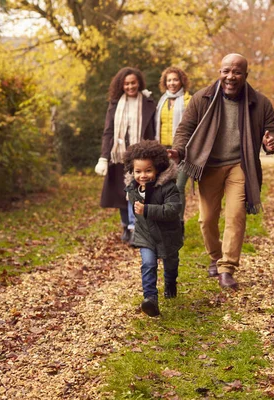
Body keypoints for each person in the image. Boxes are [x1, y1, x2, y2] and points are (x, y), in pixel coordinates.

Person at [169, 53, 274, 290]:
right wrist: (179, 151)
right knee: (206, 219)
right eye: (226, 71)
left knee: (235, 215)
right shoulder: (202, 98)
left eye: (237, 72)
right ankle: (215, 255)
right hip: (208, 165)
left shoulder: (260, 103)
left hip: (240, 165)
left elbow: (273, 130)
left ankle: (227, 268)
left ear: (245, 75)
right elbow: (184, 129)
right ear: (219, 72)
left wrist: (272, 142)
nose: (231, 77)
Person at [95, 67, 156, 243]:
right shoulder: (115, 103)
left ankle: (135, 228)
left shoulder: (147, 102)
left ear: (139, 83)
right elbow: (108, 131)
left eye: (133, 83)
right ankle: (126, 226)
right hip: (119, 155)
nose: (130, 86)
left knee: (138, 192)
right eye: (127, 83)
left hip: (140, 155)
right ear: (121, 85)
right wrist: (104, 157)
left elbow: (152, 129)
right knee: (122, 194)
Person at [123, 140, 184, 317]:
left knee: (170, 265)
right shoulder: (133, 188)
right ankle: (150, 299)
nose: (143, 175)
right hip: (146, 235)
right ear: (132, 171)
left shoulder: (169, 187)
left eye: (148, 171)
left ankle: (170, 283)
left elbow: (173, 210)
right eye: (138, 171)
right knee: (148, 264)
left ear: (157, 168)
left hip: (168, 235)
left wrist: (147, 209)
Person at [155, 67, 192, 225]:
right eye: (169, 80)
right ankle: (166, 221)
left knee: (179, 186)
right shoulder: (162, 101)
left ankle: (179, 222)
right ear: (165, 82)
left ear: (181, 81)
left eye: (175, 80)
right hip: (163, 149)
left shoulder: (188, 100)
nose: (172, 83)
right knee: (165, 186)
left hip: (184, 150)